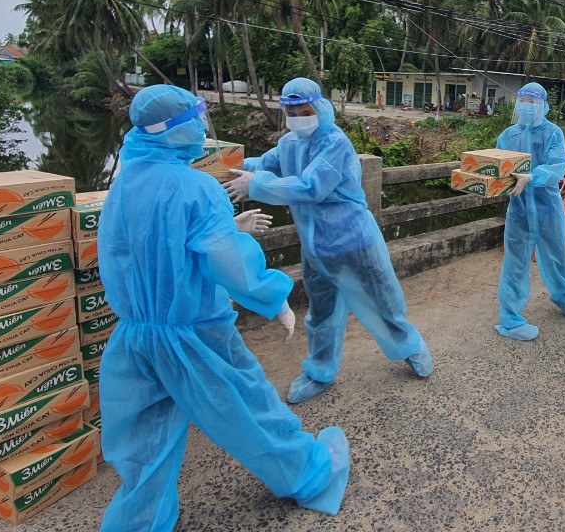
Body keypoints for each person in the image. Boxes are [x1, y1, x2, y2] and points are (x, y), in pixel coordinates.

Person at [98, 85, 349, 530]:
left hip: (136, 332)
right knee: (248, 408)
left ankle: (139, 520)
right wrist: (274, 299)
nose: (201, 127)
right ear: (177, 129)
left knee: (144, 440)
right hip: (194, 330)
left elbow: (138, 249)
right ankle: (309, 474)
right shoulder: (196, 187)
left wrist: (226, 225)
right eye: (194, 119)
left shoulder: (122, 183)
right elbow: (227, 260)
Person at [227, 78, 432, 404]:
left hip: (354, 243)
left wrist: (257, 186)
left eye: (303, 109)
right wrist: (223, 165)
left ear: (319, 107)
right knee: (321, 314)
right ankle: (320, 370)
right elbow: (260, 165)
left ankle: (411, 348)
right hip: (316, 250)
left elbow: (311, 187)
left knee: (384, 304)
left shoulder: (335, 144)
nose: (297, 116)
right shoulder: (289, 144)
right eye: (290, 111)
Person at [492, 83, 565, 341]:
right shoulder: (508, 135)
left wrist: (532, 176)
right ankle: (510, 319)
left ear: (543, 105)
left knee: (556, 257)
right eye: (523, 100)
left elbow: (557, 166)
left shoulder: (553, 133)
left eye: (532, 102)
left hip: (547, 207)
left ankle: (564, 298)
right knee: (514, 263)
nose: (527, 106)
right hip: (519, 210)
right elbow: (498, 165)